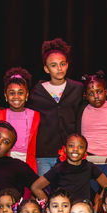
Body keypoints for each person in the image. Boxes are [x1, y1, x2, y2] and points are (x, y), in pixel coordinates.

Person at [29, 38, 85, 179]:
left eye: (62, 64)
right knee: (46, 194)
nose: (59, 69)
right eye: (53, 65)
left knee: (68, 191)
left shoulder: (77, 88)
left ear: (67, 65)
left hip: (71, 152)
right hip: (44, 152)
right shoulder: (37, 91)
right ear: (46, 69)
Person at [31, 134, 107, 205]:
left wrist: (98, 205)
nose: (75, 149)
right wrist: (50, 205)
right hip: (65, 212)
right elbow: (35, 187)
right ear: (65, 149)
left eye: (80, 147)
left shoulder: (89, 167)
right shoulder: (59, 168)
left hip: (84, 211)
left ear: (85, 152)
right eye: (71, 145)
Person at [0, 68, 39, 169]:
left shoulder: (36, 116)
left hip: (28, 164)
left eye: (20, 93)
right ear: (6, 96)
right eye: (12, 93)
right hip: (2, 165)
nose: (16, 96)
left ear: (27, 95)